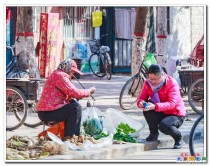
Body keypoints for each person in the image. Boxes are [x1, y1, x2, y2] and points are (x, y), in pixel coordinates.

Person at [37, 58, 96, 140]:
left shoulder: (57, 75)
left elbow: (71, 94)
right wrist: (89, 91)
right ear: (68, 69)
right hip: (48, 112)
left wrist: (77, 97)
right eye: (73, 72)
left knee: (73, 104)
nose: (73, 75)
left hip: (47, 111)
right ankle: (71, 137)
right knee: (75, 107)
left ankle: (69, 135)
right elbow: (75, 92)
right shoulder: (60, 76)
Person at [136, 64, 186, 149]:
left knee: (164, 126)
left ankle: (178, 138)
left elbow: (172, 103)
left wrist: (155, 106)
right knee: (147, 108)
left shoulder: (172, 83)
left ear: (162, 75)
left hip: (175, 114)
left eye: (155, 79)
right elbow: (141, 98)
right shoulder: (147, 83)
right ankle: (153, 134)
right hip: (161, 111)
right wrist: (141, 103)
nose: (153, 81)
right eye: (151, 78)